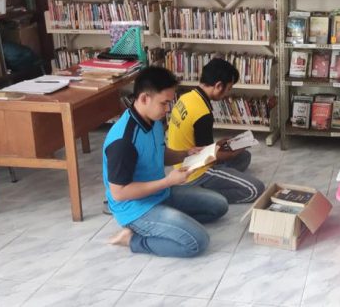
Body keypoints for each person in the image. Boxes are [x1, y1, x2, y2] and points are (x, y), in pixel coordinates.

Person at [103, 67, 228, 258]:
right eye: (164, 103)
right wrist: (168, 181)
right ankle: (131, 239)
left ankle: (168, 223)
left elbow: (158, 153)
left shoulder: (153, 121)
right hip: (136, 209)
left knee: (219, 205)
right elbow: (119, 193)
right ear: (145, 98)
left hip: (160, 192)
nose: (168, 109)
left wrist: (186, 154)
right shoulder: (123, 141)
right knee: (197, 242)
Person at [167, 58, 265, 204]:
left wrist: (220, 144)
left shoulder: (187, 97)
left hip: (181, 162)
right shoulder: (203, 113)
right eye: (229, 88)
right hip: (196, 172)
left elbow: (198, 144)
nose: (228, 93)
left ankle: (212, 183)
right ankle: (201, 192)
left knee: (244, 157)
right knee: (256, 189)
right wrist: (238, 147)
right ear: (219, 85)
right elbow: (208, 157)